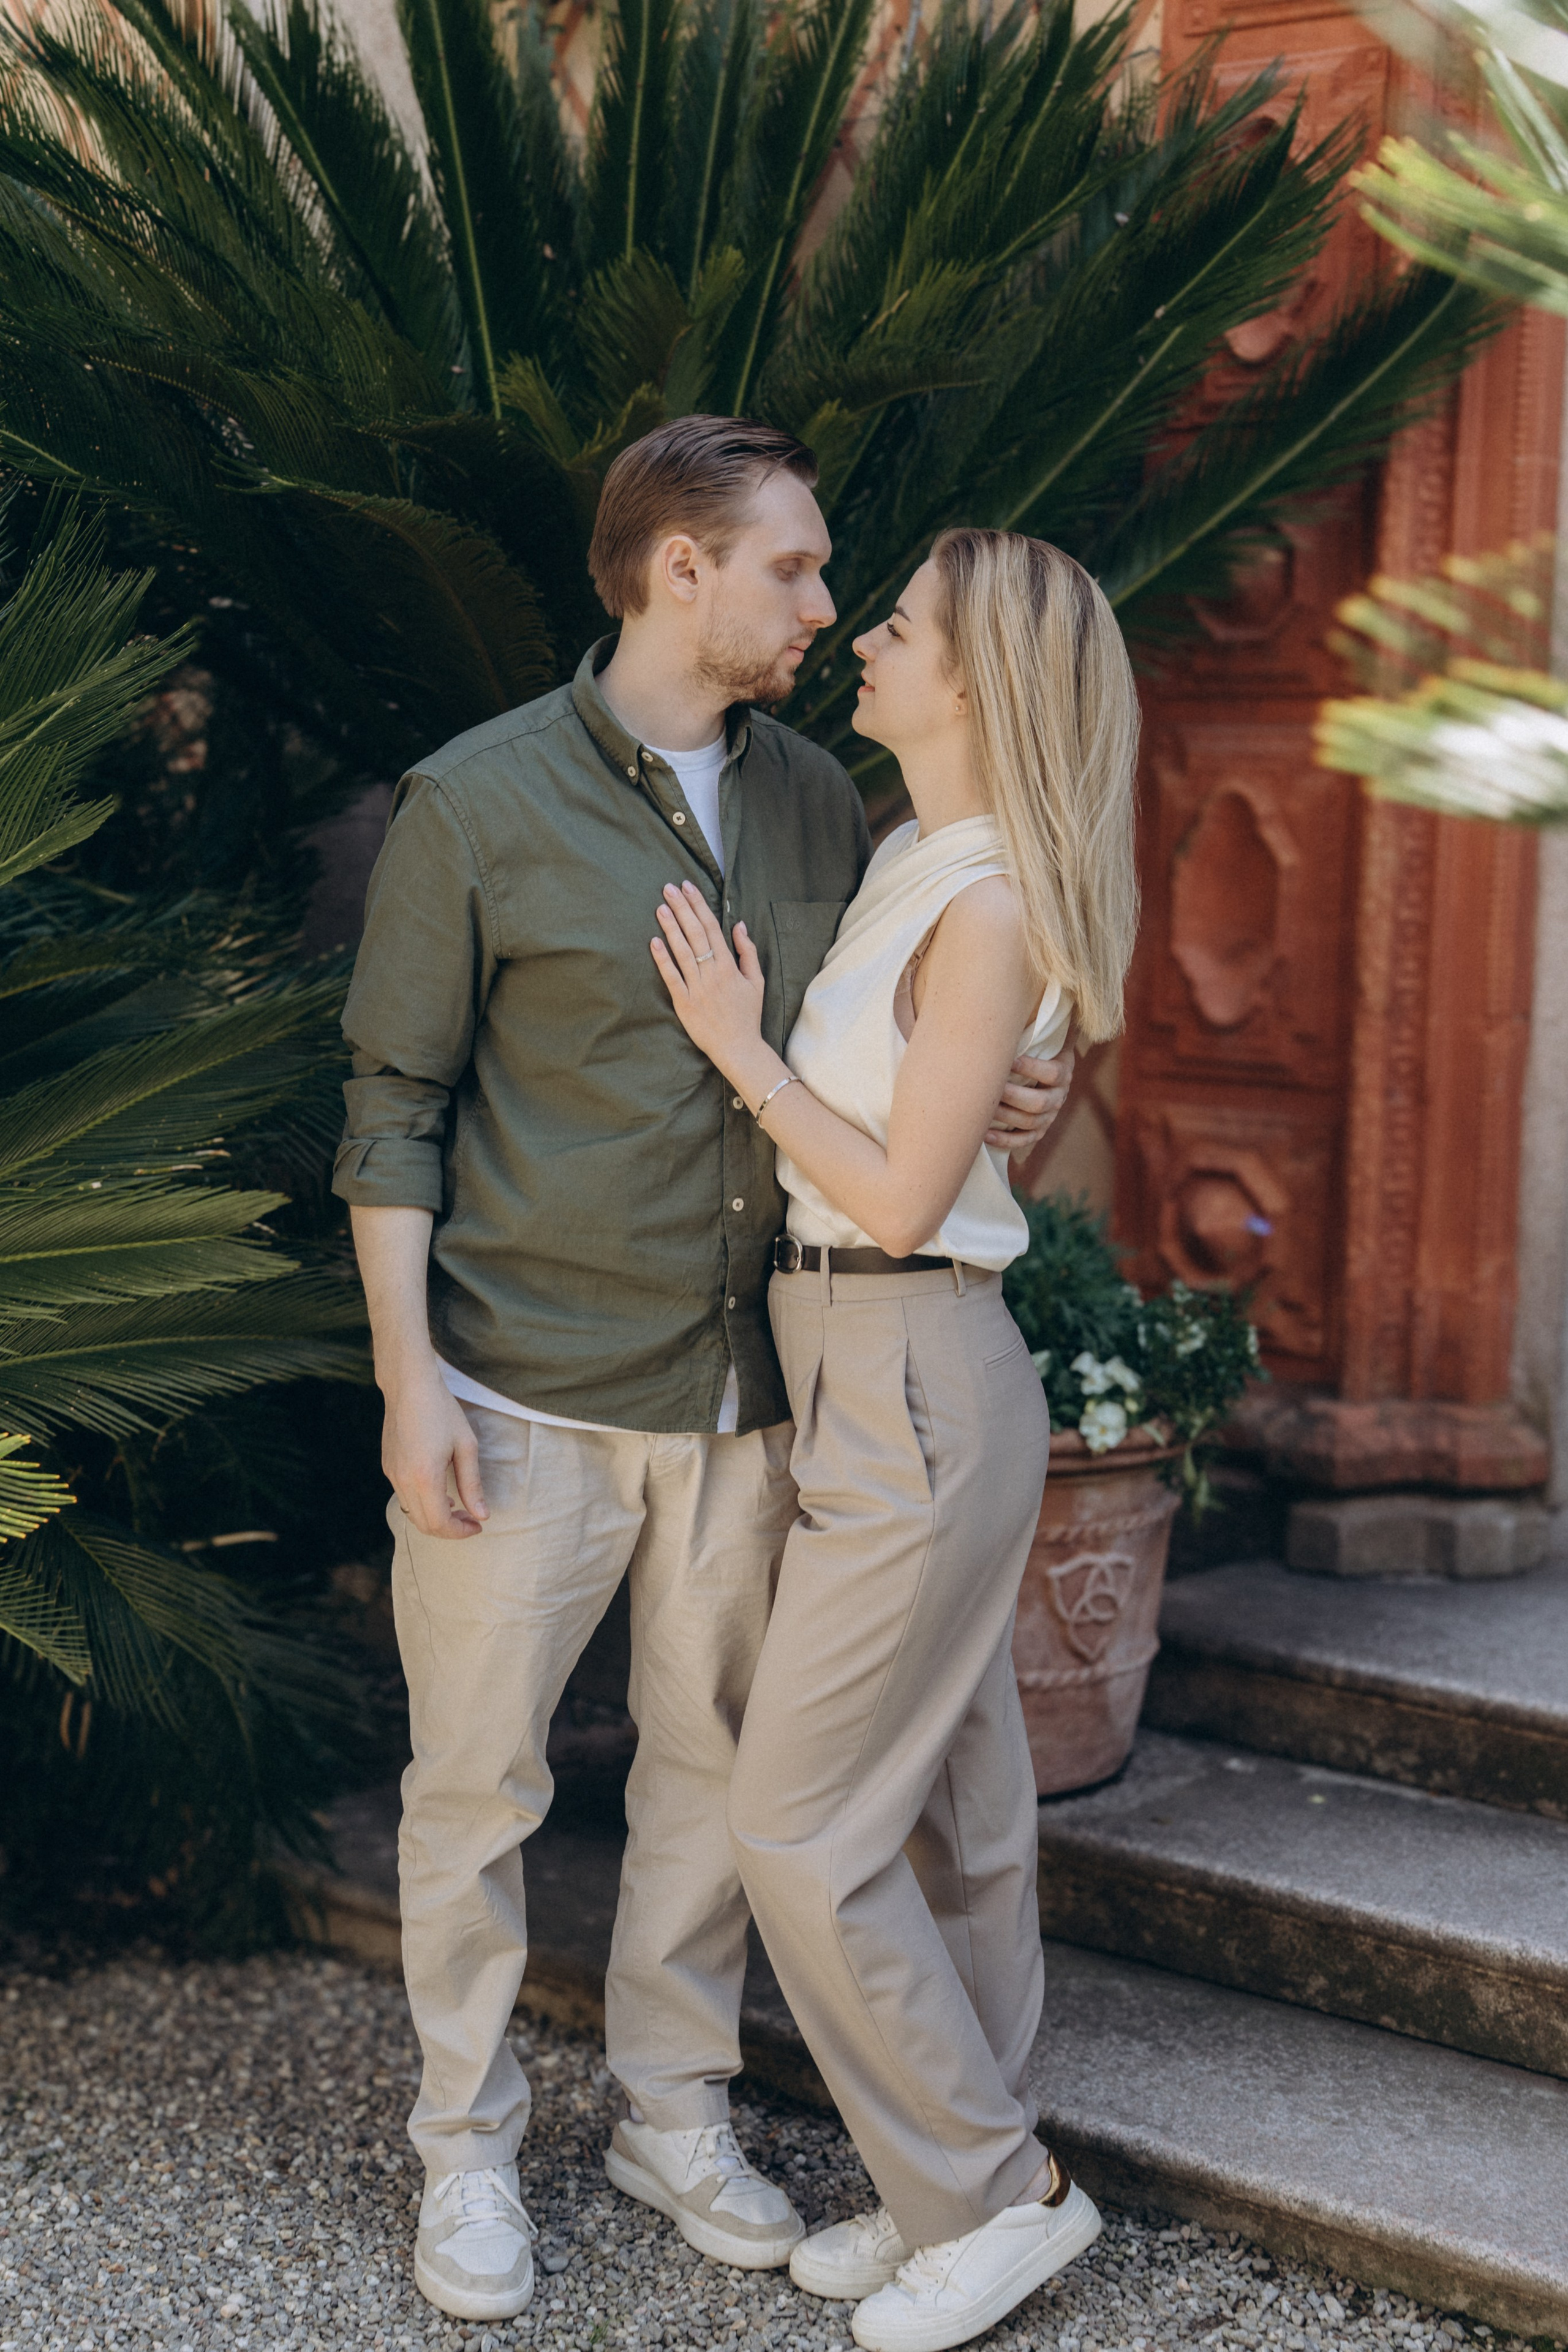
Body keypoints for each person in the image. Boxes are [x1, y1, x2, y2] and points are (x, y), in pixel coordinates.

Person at [331, 417, 1074, 2328]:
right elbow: (396, 1107)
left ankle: (673, 2113)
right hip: (520, 1389)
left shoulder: (833, 805)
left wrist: (1022, 1090)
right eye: (796, 569)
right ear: (684, 570)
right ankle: (467, 2151)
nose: (827, 605)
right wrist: (410, 1381)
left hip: (759, 1396)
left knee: (714, 1783)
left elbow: (905, 1057)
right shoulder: (476, 802)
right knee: (474, 1788)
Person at [647, 527, 1139, 2352]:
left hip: (907, 1357)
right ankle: (952, 2174)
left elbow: (913, 1191)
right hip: (874, 1359)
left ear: (981, 679)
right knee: (952, 1810)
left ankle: (997, 2198)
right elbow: (953, 1105)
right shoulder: (918, 859)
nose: (866, 636)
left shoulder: (983, 900)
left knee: (797, 1821)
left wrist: (739, 1046)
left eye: (905, 624)